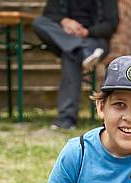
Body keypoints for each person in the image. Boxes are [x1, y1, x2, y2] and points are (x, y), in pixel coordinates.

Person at [32, 0, 119, 130]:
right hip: (63, 38)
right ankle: (81, 49)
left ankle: (66, 119)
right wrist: (64, 21)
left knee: (71, 54)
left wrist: (86, 32)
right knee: (39, 22)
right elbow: (48, 15)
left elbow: (111, 25)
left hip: (95, 42)